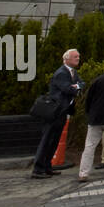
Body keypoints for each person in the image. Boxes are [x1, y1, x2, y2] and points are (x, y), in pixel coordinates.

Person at [31, 49, 82, 179]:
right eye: (75, 56)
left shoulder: (73, 72)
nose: (78, 58)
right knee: (47, 139)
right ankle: (38, 169)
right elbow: (67, 89)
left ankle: (47, 166)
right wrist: (76, 88)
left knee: (54, 140)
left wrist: (76, 87)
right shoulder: (61, 73)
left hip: (63, 111)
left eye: (78, 56)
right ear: (66, 59)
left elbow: (81, 83)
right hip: (55, 111)